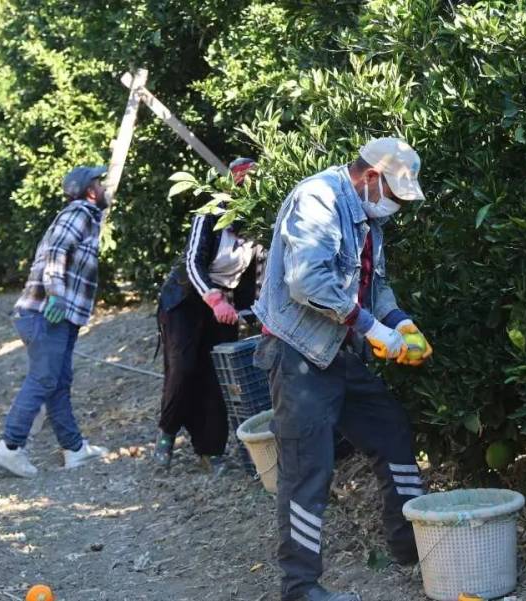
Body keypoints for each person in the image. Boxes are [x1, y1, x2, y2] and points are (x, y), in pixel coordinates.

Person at [252, 138, 433, 601]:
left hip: (337, 349)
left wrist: (400, 323)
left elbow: (377, 287)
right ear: (371, 176)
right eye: (394, 194)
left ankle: (412, 548)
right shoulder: (317, 198)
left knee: (391, 431)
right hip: (298, 354)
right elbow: (307, 281)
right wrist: (373, 329)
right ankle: (301, 588)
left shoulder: (367, 218)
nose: (395, 205)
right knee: (307, 469)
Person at [0, 166, 112, 477]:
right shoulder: (81, 211)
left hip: (61, 317)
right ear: (88, 191)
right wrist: (56, 294)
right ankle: (11, 446)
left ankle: (74, 449)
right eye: (99, 182)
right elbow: (57, 250)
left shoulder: (86, 216)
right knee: (45, 379)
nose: (104, 186)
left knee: (58, 382)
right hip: (47, 313)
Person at [153, 158, 263, 473]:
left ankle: (210, 451)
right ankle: (167, 431)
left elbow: (252, 279)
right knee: (184, 367)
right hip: (186, 299)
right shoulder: (209, 214)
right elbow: (193, 261)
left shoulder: (258, 225)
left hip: (223, 305)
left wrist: (249, 315)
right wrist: (214, 299)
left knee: (217, 376)